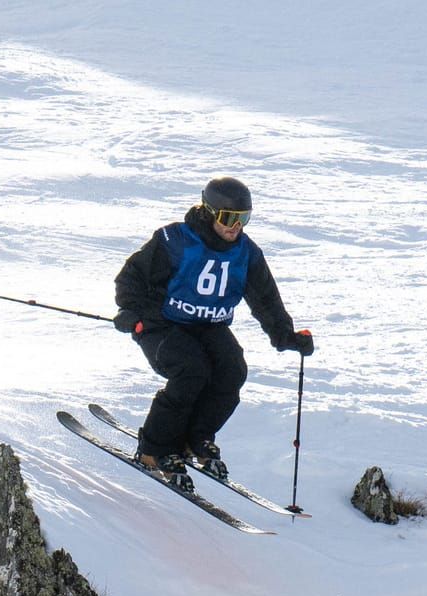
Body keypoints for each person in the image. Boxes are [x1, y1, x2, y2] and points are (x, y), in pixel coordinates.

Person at [113, 177, 313, 489]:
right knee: (191, 371)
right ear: (209, 213)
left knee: (232, 370)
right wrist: (130, 311)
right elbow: (131, 278)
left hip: (209, 326)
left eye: (243, 219)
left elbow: (266, 300)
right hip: (160, 323)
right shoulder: (176, 241)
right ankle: (154, 449)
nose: (236, 227)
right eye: (228, 218)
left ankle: (196, 439)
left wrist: (285, 335)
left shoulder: (246, 254)